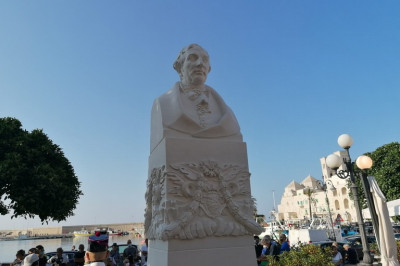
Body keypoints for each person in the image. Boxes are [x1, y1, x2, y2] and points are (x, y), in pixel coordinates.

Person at [150, 43, 242, 151]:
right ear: (180, 68)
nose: (200, 63)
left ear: (209, 69)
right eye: (192, 58)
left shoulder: (228, 115)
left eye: (205, 60)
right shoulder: (163, 104)